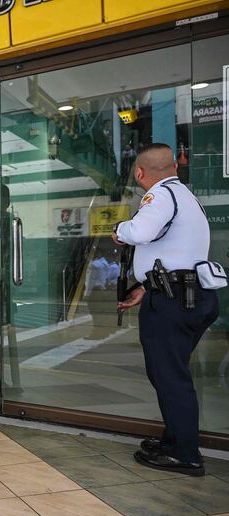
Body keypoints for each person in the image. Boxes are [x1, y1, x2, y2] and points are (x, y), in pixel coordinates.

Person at [113, 143, 218, 476]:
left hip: (175, 301)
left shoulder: (158, 196)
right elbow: (177, 252)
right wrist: (146, 287)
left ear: (140, 173)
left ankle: (185, 454)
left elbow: (140, 231)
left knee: (170, 376)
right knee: (169, 373)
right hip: (184, 293)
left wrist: (120, 231)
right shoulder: (185, 196)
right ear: (174, 166)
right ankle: (174, 441)